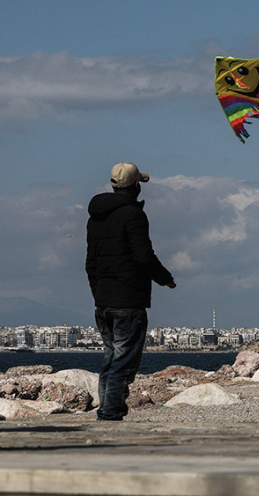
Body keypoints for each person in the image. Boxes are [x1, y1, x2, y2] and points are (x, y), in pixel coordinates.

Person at [86, 162, 176, 421]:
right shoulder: (133, 215)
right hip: (128, 300)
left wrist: (98, 292)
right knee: (123, 361)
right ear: (136, 185)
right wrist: (165, 279)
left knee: (111, 357)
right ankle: (110, 412)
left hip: (103, 300)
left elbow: (90, 262)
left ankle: (106, 410)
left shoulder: (95, 218)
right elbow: (144, 255)